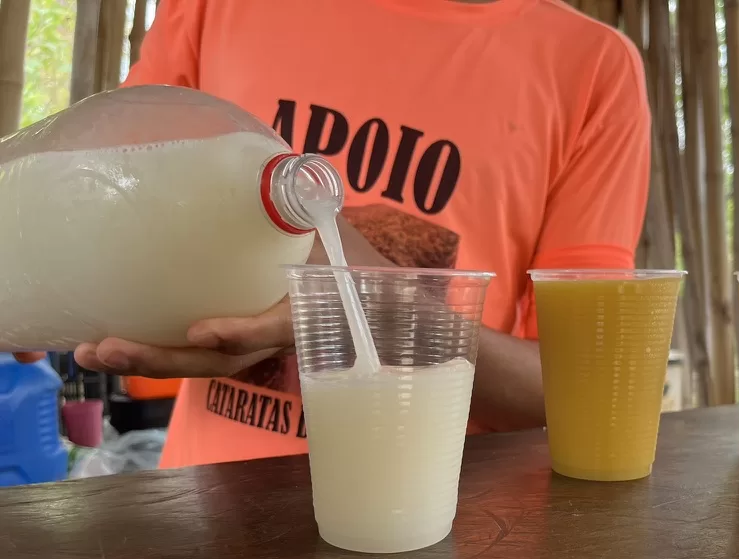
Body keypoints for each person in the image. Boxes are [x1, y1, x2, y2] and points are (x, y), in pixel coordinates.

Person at [20, 0, 651, 469]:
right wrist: (43, 281)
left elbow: (580, 390)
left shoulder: (590, 68)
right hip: (203, 524)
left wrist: (378, 300)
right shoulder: (221, 7)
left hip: (444, 543)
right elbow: (106, 204)